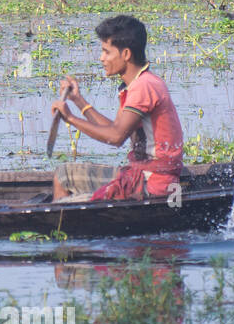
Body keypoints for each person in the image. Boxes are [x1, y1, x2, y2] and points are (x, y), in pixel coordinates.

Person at [50, 14, 184, 201]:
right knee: (64, 174)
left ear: (126, 54)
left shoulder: (144, 87)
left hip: (153, 183)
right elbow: (115, 128)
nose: (101, 58)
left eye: (107, 52)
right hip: (142, 175)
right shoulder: (135, 84)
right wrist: (79, 101)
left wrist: (71, 118)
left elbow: (115, 137)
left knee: (64, 202)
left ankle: (62, 227)